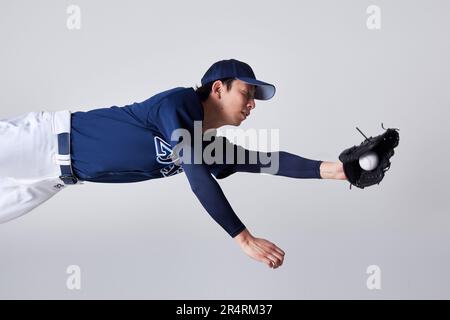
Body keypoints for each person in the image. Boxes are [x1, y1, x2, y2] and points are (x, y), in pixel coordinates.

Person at [0, 59, 346, 269]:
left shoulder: (205, 142)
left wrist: (335, 170)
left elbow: (265, 160)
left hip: (53, 180)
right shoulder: (178, 104)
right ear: (218, 89)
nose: (252, 103)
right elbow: (196, 173)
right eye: (247, 93)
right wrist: (243, 238)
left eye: (255, 98)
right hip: (44, 138)